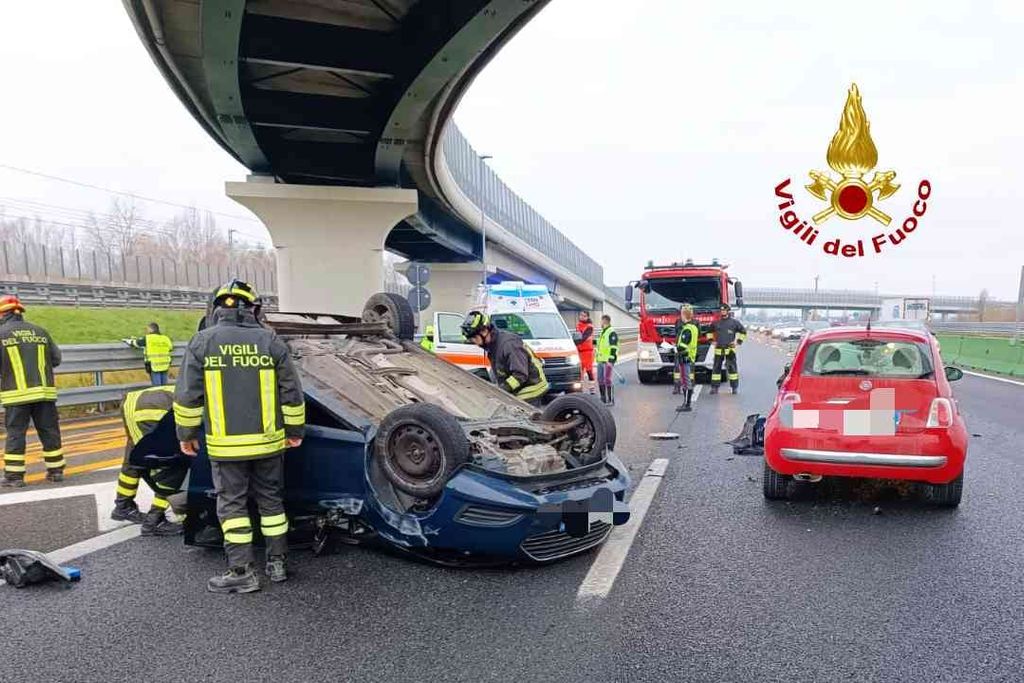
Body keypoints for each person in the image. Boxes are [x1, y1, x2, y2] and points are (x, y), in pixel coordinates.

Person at [173, 280, 306, 594]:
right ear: (253, 308)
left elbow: (188, 396)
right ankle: (277, 564)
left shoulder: (203, 342)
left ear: (217, 308)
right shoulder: (270, 340)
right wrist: (295, 431)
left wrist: (186, 434)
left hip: (226, 447)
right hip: (269, 443)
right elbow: (292, 391)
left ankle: (241, 571)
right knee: (271, 501)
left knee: (232, 507)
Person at [0, 295, 64, 487]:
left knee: (16, 434)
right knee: (49, 431)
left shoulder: (1, 334)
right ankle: (56, 471)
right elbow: (56, 359)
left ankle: (14, 477)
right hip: (44, 394)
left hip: (16, 395)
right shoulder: (40, 331)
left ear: (2, 314)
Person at [110, 385, 186, 535]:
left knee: (134, 457)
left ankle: (123, 505)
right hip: (153, 408)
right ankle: (154, 520)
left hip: (136, 402)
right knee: (169, 464)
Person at [460, 311, 549, 406]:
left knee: (514, 411)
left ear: (484, 331)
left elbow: (520, 375)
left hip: (532, 387)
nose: (475, 343)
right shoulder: (493, 344)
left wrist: (501, 391)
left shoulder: (509, 344)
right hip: (521, 385)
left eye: (474, 338)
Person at [710, 303, 747, 394]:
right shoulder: (716, 323)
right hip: (719, 349)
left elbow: (743, 332)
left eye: (724, 310)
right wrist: (711, 341)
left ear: (728, 311)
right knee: (716, 369)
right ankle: (714, 388)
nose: (722, 312)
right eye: (721, 310)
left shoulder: (734, 323)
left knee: (732, 369)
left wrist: (737, 342)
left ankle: (734, 388)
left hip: (730, 350)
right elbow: (709, 332)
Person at [674, 304, 700, 411]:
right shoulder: (694, 327)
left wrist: (674, 348)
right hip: (690, 357)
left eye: (681, 314)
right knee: (687, 380)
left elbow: (682, 346)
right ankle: (686, 403)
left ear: (684, 315)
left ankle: (687, 404)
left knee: (685, 382)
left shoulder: (687, 329)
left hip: (685, 358)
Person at [595, 315, 619, 405]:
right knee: (600, 379)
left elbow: (614, 347)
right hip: (600, 360)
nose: (600, 323)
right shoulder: (603, 332)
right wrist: (592, 341)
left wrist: (611, 360)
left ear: (605, 321)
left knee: (607, 379)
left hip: (608, 361)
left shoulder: (611, 332)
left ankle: (610, 399)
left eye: (601, 321)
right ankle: (603, 399)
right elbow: (600, 343)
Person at [575, 311, 596, 395]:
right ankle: (579, 390)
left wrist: (574, 343)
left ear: (587, 317)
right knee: (579, 371)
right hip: (579, 352)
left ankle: (592, 389)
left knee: (589, 370)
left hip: (587, 352)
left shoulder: (589, 327)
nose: (582, 317)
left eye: (584, 316)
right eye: (581, 315)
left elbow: (583, 338)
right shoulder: (578, 325)